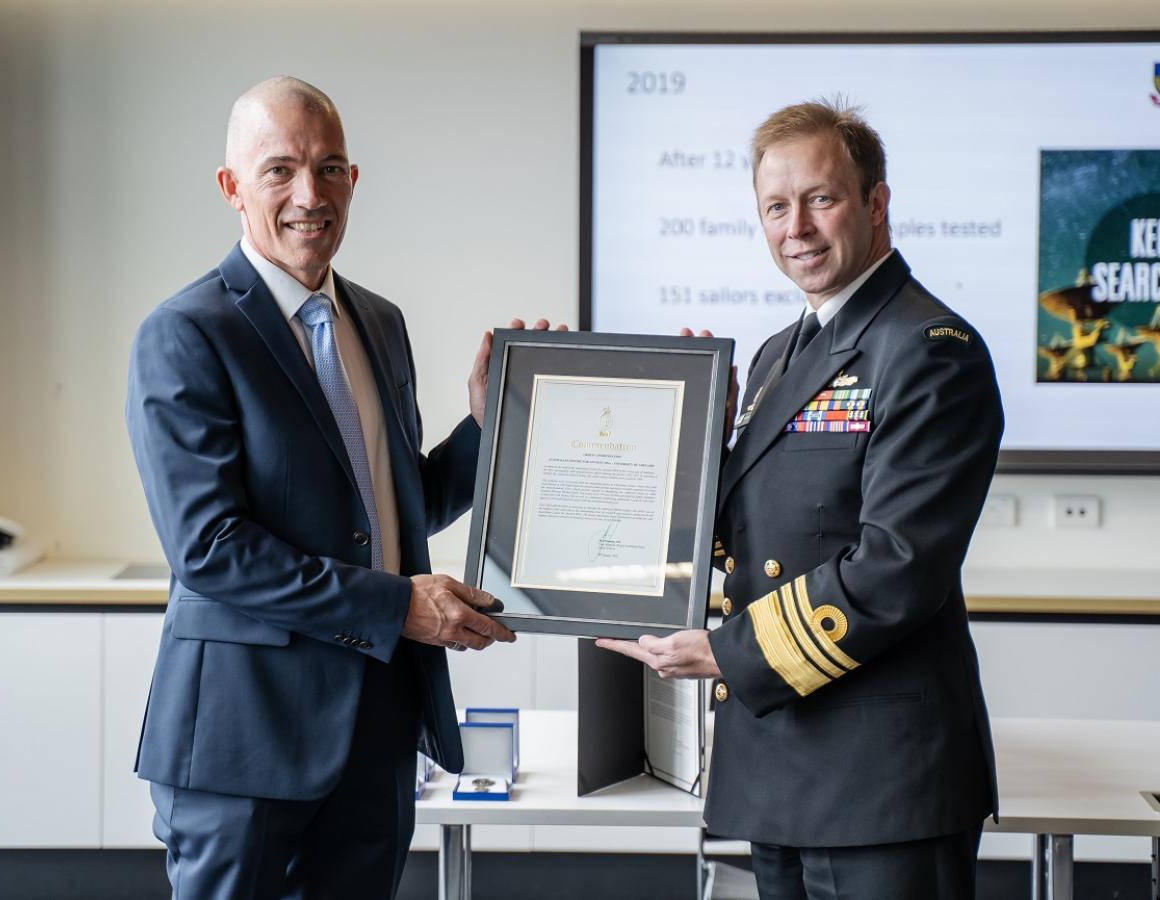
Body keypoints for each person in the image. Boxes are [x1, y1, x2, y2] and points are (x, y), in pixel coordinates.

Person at [126, 76, 552, 899]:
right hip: (241, 743)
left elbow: (394, 512)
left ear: (353, 181)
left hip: (376, 733)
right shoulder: (185, 334)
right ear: (232, 188)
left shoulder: (380, 324)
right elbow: (211, 550)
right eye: (279, 169)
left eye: (329, 168)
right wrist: (399, 606)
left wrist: (487, 425)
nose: (308, 194)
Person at [598, 99, 1002, 899]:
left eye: (821, 199)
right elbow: (753, 528)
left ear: (875, 204)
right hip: (783, 765)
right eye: (775, 208)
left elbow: (897, 567)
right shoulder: (782, 351)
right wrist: (690, 447)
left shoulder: (928, 350)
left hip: (881, 783)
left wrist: (729, 651)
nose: (798, 228)